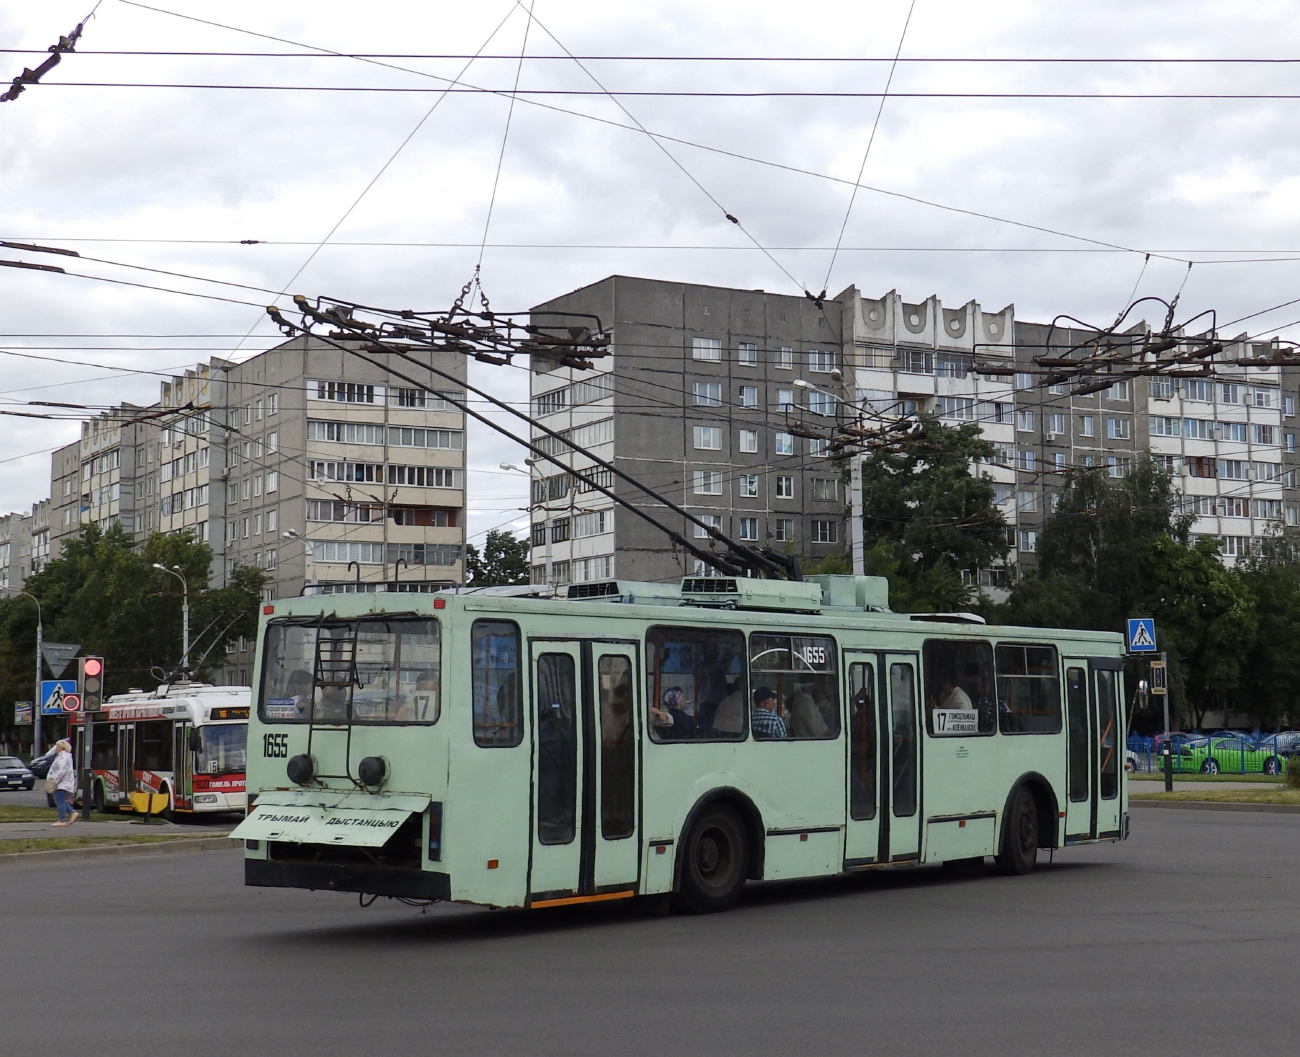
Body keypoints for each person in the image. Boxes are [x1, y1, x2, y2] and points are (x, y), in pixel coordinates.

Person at [48, 739, 78, 827]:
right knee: (59, 800)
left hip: (62, 783)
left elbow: (61, 771)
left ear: (62, 747)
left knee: (59, 801)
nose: (56, 748)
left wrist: (54, 781)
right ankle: (73, 812)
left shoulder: (63, 757)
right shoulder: (63, 756)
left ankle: (62, 820)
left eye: (57, 747)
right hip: (63, 782)